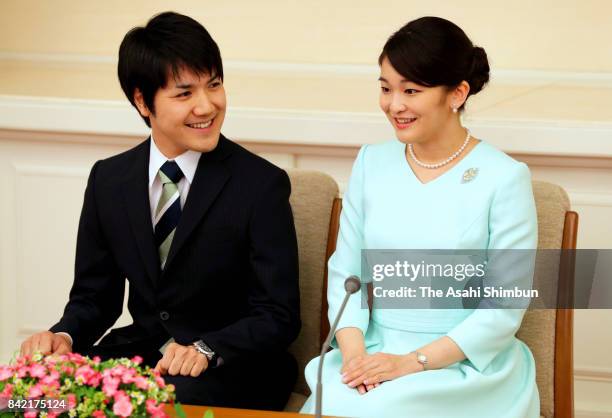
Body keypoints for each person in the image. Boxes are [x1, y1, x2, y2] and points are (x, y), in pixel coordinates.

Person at [19, 11, 300, 410]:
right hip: (143, 354)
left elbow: (278, 314)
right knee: (28, 398)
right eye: (184, 94)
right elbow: (94, 299)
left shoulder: (260, 184)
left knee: (156, 405)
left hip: (234, 365)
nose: (207, 106)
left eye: (214, 85)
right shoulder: (108, 179)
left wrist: (205, 348)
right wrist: (63, 337)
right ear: (142, 101)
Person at [300, 16, 539, 418]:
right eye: (386, 88)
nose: (395, 105)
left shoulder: (505, 178)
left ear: (457, 93)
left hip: (460, 364)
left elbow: (503, 308)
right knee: (341, 403)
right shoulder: (371, 162)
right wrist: (357, 361)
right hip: (371, 353)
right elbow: (347, 273)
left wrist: (409, 363)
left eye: (411, 90)